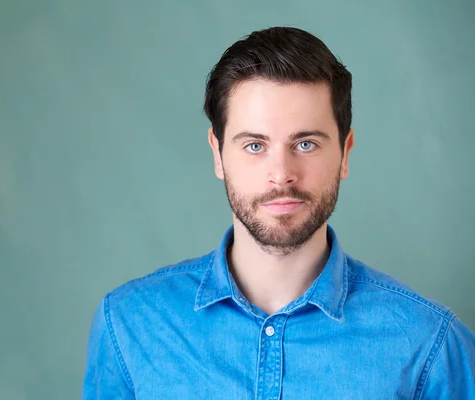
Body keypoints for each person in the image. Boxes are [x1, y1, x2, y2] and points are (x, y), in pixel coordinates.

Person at [83, 26, 475, 399]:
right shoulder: (130, 325)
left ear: (345, 152)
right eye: (255, 145)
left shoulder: (431, 344)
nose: (281, 175)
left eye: (305, 144)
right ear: (218, 153)